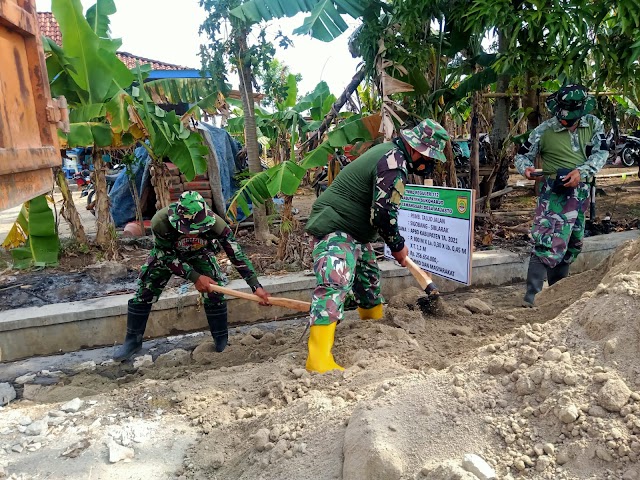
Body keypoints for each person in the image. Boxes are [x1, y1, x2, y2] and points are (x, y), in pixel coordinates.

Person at [304, 119, 450, 373]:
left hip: (355, 232)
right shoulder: (394, 161)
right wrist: (397, 245)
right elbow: (383, 213)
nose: (429, 163)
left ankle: (371, 329)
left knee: (369, 282)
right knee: (334, 283)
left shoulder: (390, 153)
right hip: (336, 227)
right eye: (429, 156)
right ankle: (318, 360)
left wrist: (395, 243)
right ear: (417, 149)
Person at [114, 191, 271, 361]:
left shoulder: (217, 225)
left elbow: (236, 254)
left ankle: (221, 340)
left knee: (214, 288)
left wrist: (256, 286)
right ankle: (132, 341)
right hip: (168, 255)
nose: (193, 233)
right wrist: (194, 277)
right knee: (145, 289)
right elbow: (166, 256)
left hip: (199, 253)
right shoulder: (161, 222)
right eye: (188, 229)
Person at [515, 84, 608, 307]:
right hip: (553, 196)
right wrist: (526, 169)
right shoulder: (544, 130)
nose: (565, 122)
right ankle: (532, 298)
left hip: (581, 194)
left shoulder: (594, 125)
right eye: (562, 118)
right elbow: (521, 156)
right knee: (546, 242)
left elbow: (601, 152)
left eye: (570, 119)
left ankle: (556, 293)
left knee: (573, 244)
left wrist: (582, 172)